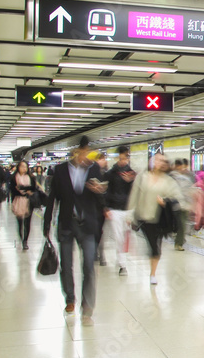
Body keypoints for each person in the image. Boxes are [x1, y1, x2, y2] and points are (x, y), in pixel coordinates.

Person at [42, 137, 106, 325]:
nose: (84, 156)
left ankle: (87, 305)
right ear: (74, 152)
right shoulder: (60, 170)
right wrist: (47, 224)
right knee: (67, 265)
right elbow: (52, 198)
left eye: (87, 152)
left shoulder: (94, 169)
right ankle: (70, 299)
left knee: (88, 265)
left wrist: (99, 191)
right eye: (81, 152)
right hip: (66, 224)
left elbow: (102, 197)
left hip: (88, 225)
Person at [127, 153, 182, 285]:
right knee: (152, 245)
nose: (159, 162)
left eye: (162, 160)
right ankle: (153, 263)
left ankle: (153, 272)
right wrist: (130, 215)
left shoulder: (168, 181)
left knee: (156, 245)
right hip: (144, 217)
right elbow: (134, 196)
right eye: (156, 159)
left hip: (160, 219)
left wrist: (165, 202)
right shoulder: (142, 177)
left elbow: (178, 199)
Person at [104, 146, 137, 276]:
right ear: (119, 156)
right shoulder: (111, 174)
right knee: (119, 237)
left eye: (126, 157)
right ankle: (123, 265)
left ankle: (121, 257)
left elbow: (135, 192)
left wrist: (131, 181)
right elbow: (106, 191)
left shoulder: (131, 173)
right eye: (122, 157)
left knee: (126, 236)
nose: (124, 160)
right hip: (115, 209)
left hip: (128, 209)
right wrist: (106, 207)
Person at [9, 160, 37, 250]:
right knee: (20, 222)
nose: (24, 168)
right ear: (18, 167)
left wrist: (28, 191)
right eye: (22, 166)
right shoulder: (14, 178)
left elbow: (34, 189)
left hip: (29, 202)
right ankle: (21, 236)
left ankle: (25, 241)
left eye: (25, 167)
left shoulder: (31, 177)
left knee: (27, 222)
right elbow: (12, 191)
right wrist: (24, 192)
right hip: (18, 201)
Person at [171, 159, 197, 252]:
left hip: (185, 205)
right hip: (176, 204)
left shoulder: (189, 176)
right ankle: (179, 242)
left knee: (183, 224)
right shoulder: (173, 176)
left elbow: (191, 190)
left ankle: (179, 240)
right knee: (181, 224)